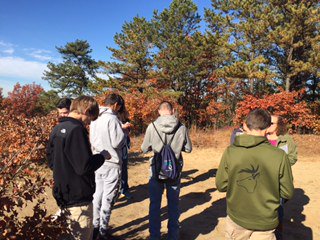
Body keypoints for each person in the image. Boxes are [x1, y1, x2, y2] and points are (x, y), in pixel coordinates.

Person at [216, 109, 294, 240]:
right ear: (268, 127)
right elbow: (288, 192)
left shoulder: (230, 152)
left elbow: (221, 185)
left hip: (237, 219)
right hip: (265, 222)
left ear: (246, 125)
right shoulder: (279, 155)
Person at [47, 96, 111, 240]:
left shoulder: (57, 129)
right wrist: (102, 156)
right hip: (78, 199)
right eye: (90, 119)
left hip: (63, 195)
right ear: (86, 111)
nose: (88, 123)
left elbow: (51, 161)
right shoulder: (76, 130)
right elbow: (84, 167)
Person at [141, 101, 192, 240]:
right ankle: (173, 236)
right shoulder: (181, 127)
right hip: (174, 169)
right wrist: (176, 147)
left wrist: (156, 147)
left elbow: (144, 148)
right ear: (173, 110)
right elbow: (188, 149)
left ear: (159, 111)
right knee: (174, 205)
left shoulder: (152, 127)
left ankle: (155, 236)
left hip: (156, 170)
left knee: (155, 205)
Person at [89, 93, 126, 239]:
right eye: (119, 107)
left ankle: (95, 226)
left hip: (98, 160)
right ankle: (103, 231)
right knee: (108, 198)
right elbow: (117, 142)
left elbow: (92, 139)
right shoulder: (112, 118)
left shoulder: (95, 118)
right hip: (112, 162)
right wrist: (124, 131)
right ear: (116, 104)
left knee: (97, 194)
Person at [267, 115, 298, 239]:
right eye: (267, 122)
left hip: (278, 182)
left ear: (278, 125)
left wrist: (280, 166)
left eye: (272, 123)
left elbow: (292, 157)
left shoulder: (286, 140)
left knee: (278, 211)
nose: (268, 124)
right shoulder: (260, 138)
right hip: (262, 181)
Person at [117, 101, 133, 199]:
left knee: (123, 167)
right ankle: (117, 189)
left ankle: (124, 189)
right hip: (114, 145)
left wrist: (127, 127)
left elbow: (128, 129)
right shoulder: (109, 116)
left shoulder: (124, 113)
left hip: (124, 144)